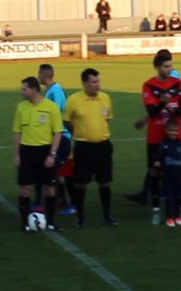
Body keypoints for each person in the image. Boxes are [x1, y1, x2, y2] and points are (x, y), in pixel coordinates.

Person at [128, 50, 181, 224]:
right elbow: (152, 112)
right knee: (155, 173)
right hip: (156, 137)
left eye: (170, 66)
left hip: (176, 137)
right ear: (157, 67)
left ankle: (180, 211)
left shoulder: (177, 83)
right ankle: (156, 210)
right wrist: (163, 102)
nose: (169, 69)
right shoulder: (148, 85)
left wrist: (170, 108)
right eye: (166, 66)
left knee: (179, 173)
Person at [64, 68, 117, 228]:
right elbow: (66, 121)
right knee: (80, 183)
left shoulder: (105, 98)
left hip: (103, 146)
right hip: (83, 147)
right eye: (94, 82)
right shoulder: (74, 100)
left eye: (98, 81)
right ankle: (80, 218)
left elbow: (107, 119)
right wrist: (80, 132)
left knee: (105, 182)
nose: (97, 85)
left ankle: (107, 216)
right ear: (84, 83)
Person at [13, 76, 65, 232]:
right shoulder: (21, 107)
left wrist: (52, 154)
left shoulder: (51, 107)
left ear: (34, 89)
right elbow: (17, 132)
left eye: (24, 89)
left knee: (49, 188)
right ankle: (24, 224)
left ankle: (51, 222)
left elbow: (58, 132)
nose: (21, 92)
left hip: (45, 151)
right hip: (26, 151)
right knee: (25, 189)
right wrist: (17, 154)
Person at [38, 64, 74, 216]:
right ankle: (61, 199)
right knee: (56, 171)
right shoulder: (51, 91)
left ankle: (71, 203)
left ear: (44, 75)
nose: (38, 77)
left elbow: (56, 114)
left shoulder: (55, 91)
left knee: (59, 170)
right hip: (55, 137)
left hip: (61, 137)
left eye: (39, 74)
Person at [153, 119, 181, 227]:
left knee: (179, 196)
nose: (173, 133)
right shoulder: (163, 144)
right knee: (169, 197)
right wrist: (156, 162)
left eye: (175, 131)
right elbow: (157, 156)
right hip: (167, 175)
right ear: (166, 130)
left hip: (179, 175)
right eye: (171, 130)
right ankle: (169, 218)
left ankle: (178, 216)